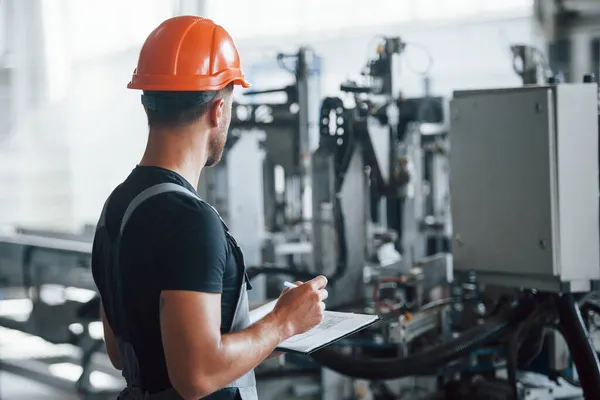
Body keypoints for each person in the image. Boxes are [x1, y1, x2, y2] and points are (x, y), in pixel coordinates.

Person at [91, 16, 328, 400]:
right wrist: (283, 323)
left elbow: (122, 354)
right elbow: (197, 374)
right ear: (218, 110)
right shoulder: (190, 222)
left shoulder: (117, 207)